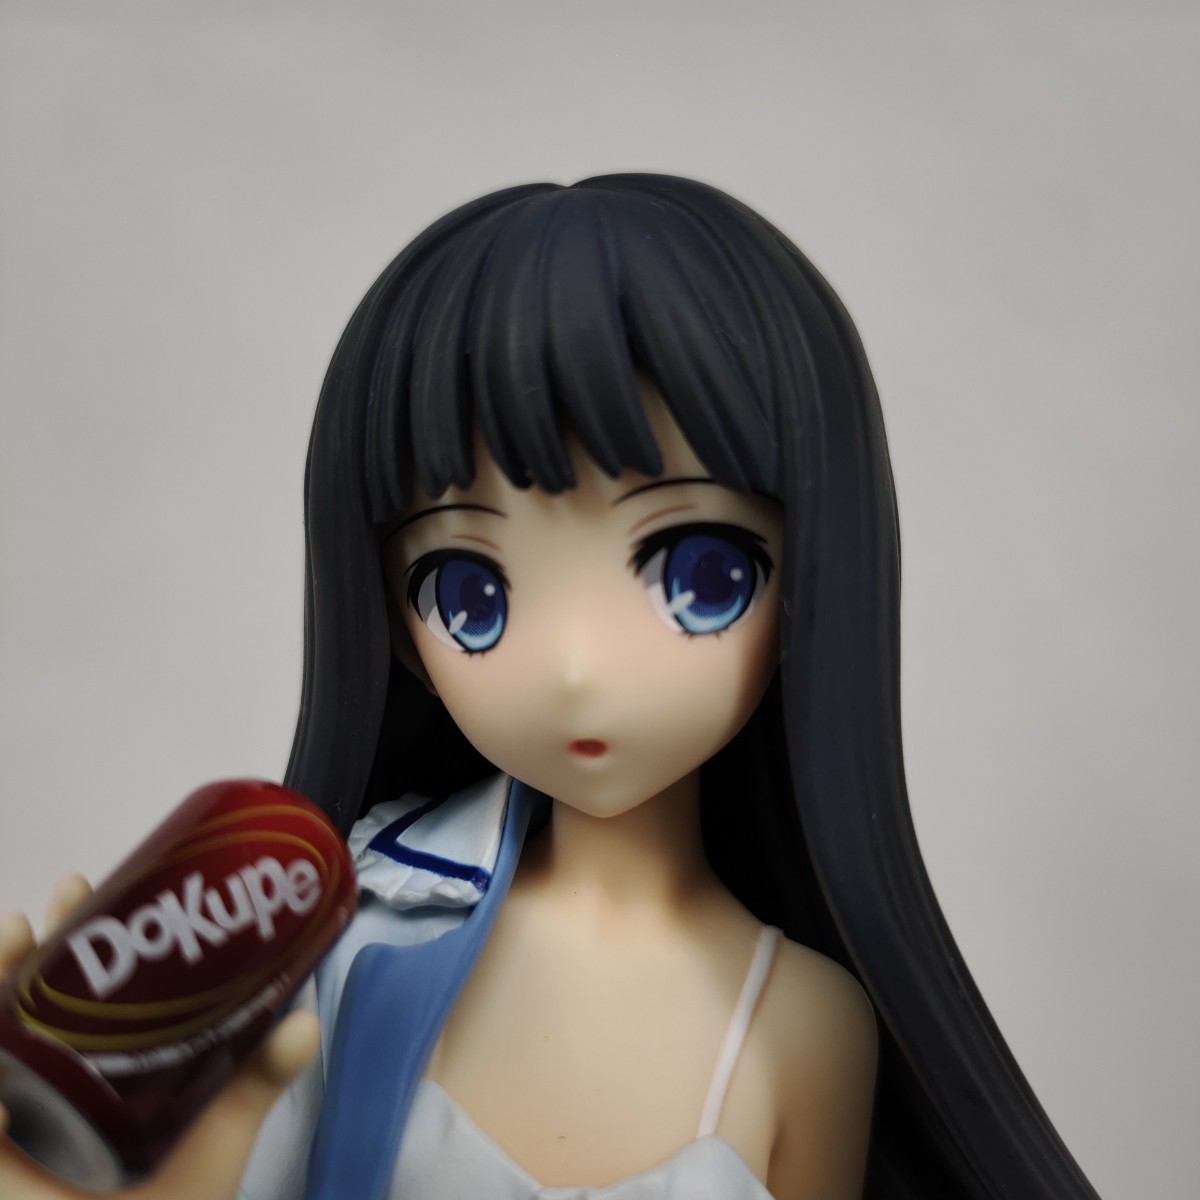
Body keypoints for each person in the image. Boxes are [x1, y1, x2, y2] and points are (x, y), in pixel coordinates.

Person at [0, 176, 1101, 1200]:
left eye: (701, 576)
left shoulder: (809, 1021)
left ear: (815, 581)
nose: (574, 669)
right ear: (393, 624)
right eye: (469, 593)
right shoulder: (352, 933)